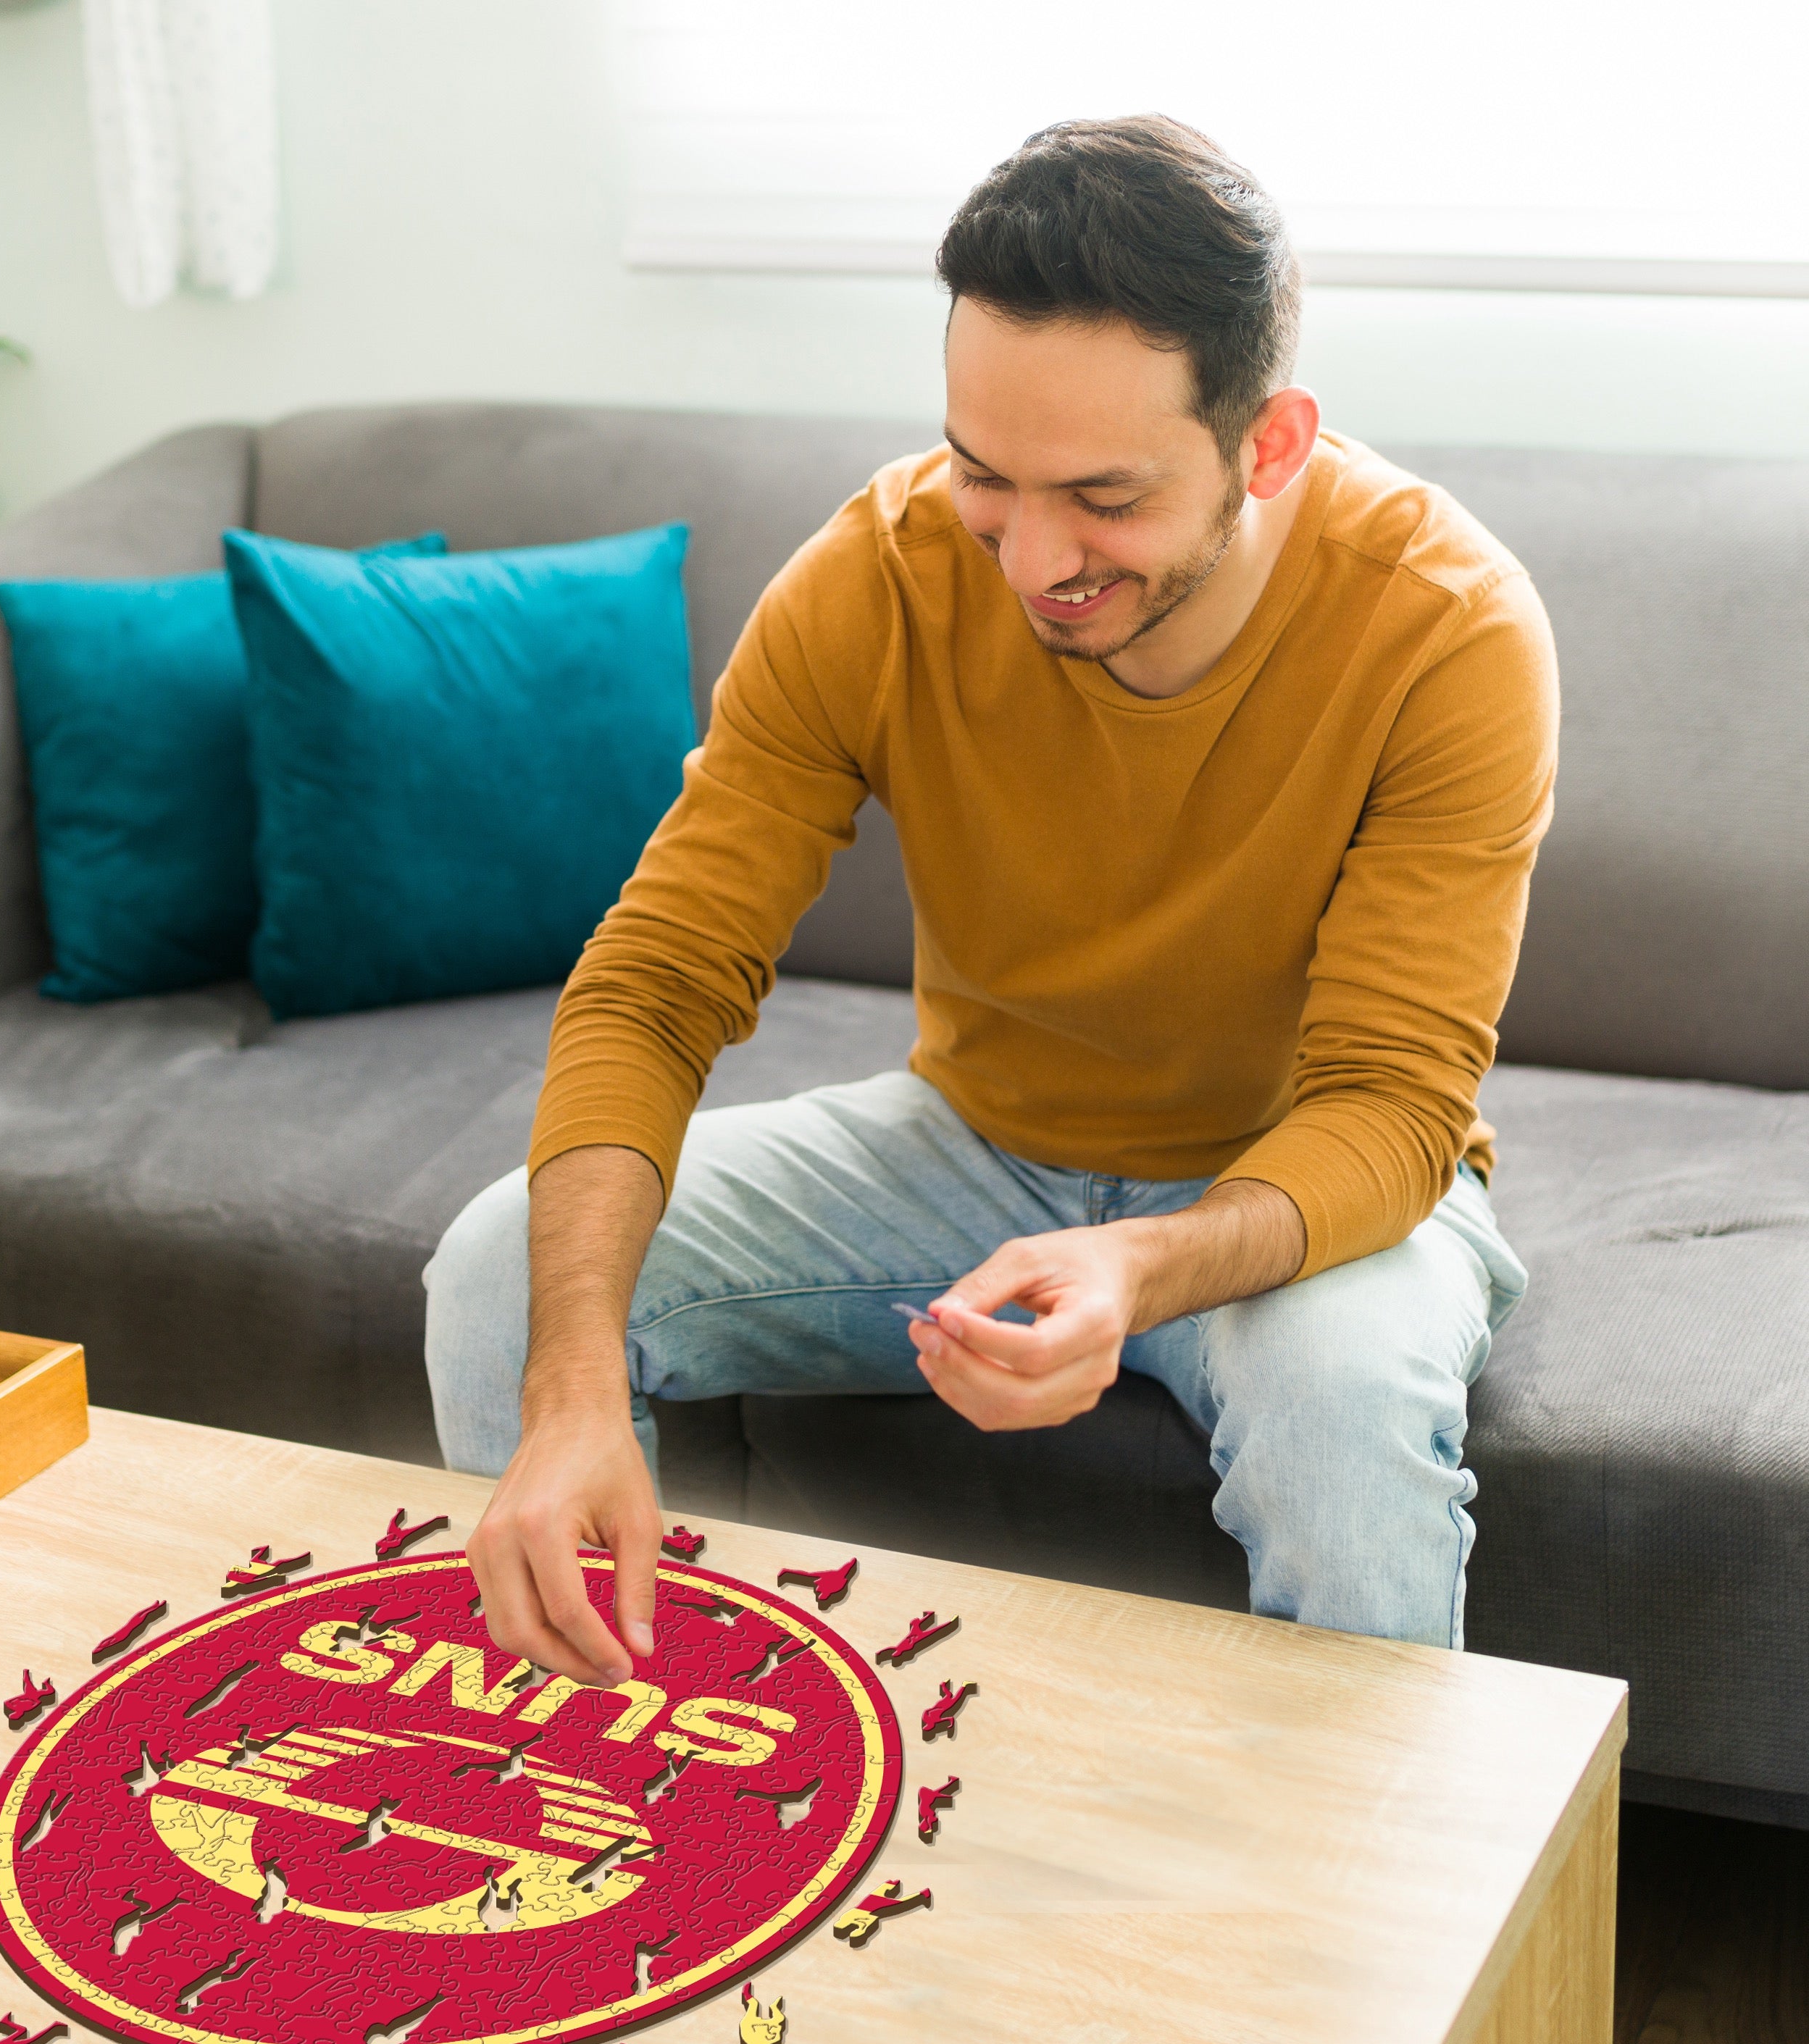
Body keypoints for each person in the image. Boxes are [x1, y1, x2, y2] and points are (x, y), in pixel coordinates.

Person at [424, 114, 1557, 1690]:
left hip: (1304, 1192)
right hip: (973, 1148)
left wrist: (1140, 1268)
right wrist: (568, 1396)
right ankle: (592, 1817)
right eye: (984, 476)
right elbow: (660, 977)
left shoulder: (1448, 630)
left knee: (1339, 1417)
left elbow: (1388, 1108)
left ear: (1271, 443)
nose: (1031, 559)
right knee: (502, 1272)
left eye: (1102, 494)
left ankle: (1362, 1924)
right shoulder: (875, 576)